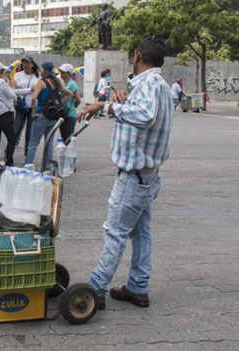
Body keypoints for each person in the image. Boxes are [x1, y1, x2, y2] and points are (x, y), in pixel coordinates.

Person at [77, 36, 172, 310]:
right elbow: (138, 110)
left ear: (138, 55)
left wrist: (103, 106)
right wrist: (120, 101)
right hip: (147, 176)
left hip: (135, 177)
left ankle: (95, 289)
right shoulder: (156, 84)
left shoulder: (150, 83)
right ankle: (138, 288)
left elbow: (144, 115)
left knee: (115, 232)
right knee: (141, 233)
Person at [24, 62, 73, 171]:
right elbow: (70, 94)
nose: (40, 70)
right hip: (53, 117)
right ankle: (47, 168)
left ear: (45, 70)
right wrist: (60, 104)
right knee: (49, 142)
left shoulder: (41, 82)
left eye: (41, 69)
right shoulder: (56, 82)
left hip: (42, 115)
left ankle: (28, 166)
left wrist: (33, 113)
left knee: (33, 142)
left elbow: (34, 98)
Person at [12, 55, 40, 156]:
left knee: (30, 132)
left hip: (33, 106)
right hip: (21, 106)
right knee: (16, 129)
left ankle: (28, 155)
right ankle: (9, 153)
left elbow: (39, 89)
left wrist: (22, 89)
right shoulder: (18, 75)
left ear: (32, 64)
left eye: (27, 63)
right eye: (23, 63)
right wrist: (30, 89)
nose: (25, 65)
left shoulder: (38, 76)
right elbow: (14, 91)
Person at [57, 64, 81, 143]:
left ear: (68, 73)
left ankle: (69, 153)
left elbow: (78, 99)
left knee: (68, 136)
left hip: (70, 114)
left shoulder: (72, 84)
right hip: (61, 112)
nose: (61, 73)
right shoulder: (60, 83)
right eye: (60, 71)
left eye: (63, 72)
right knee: (63, 135)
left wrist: (74, 106)